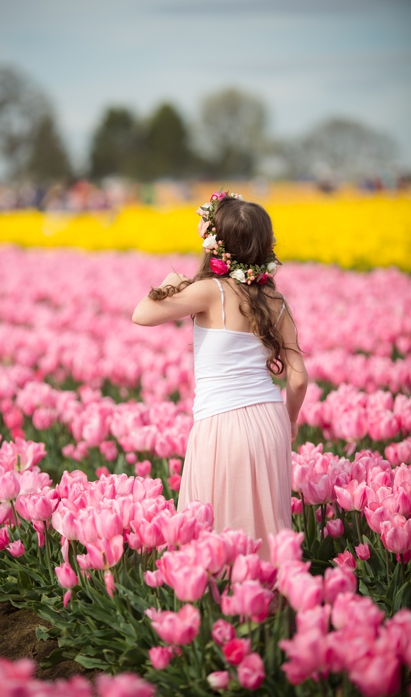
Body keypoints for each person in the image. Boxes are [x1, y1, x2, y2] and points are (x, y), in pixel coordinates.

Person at [132, 192, 308, 558]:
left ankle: (226, 603)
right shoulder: (275, 302)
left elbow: (142, 314)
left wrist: (169, 281)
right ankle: (272, 598)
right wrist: (289, 421)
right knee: (266, 524)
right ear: (266, 245)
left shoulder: (210, 291)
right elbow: (298, 378)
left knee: (220, 525)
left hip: (222, 422)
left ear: (215, 244)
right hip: (269, 419)